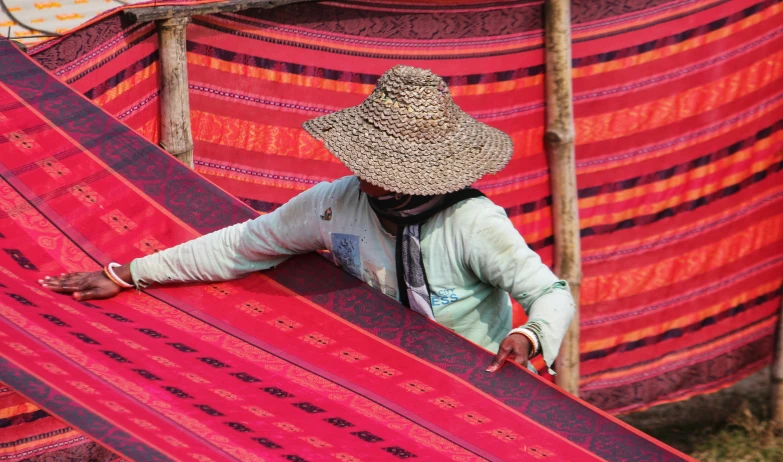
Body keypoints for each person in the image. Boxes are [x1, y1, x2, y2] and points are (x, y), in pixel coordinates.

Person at [40, 65, 575, 374]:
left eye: (379, 169)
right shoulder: (335, 203)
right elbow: (247, 243)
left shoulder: (473, 224)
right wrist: (126, 274)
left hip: (477, 380)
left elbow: (551, 294)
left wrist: (529, 336)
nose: (363, 176)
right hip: (377, 373)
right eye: (365, 165)